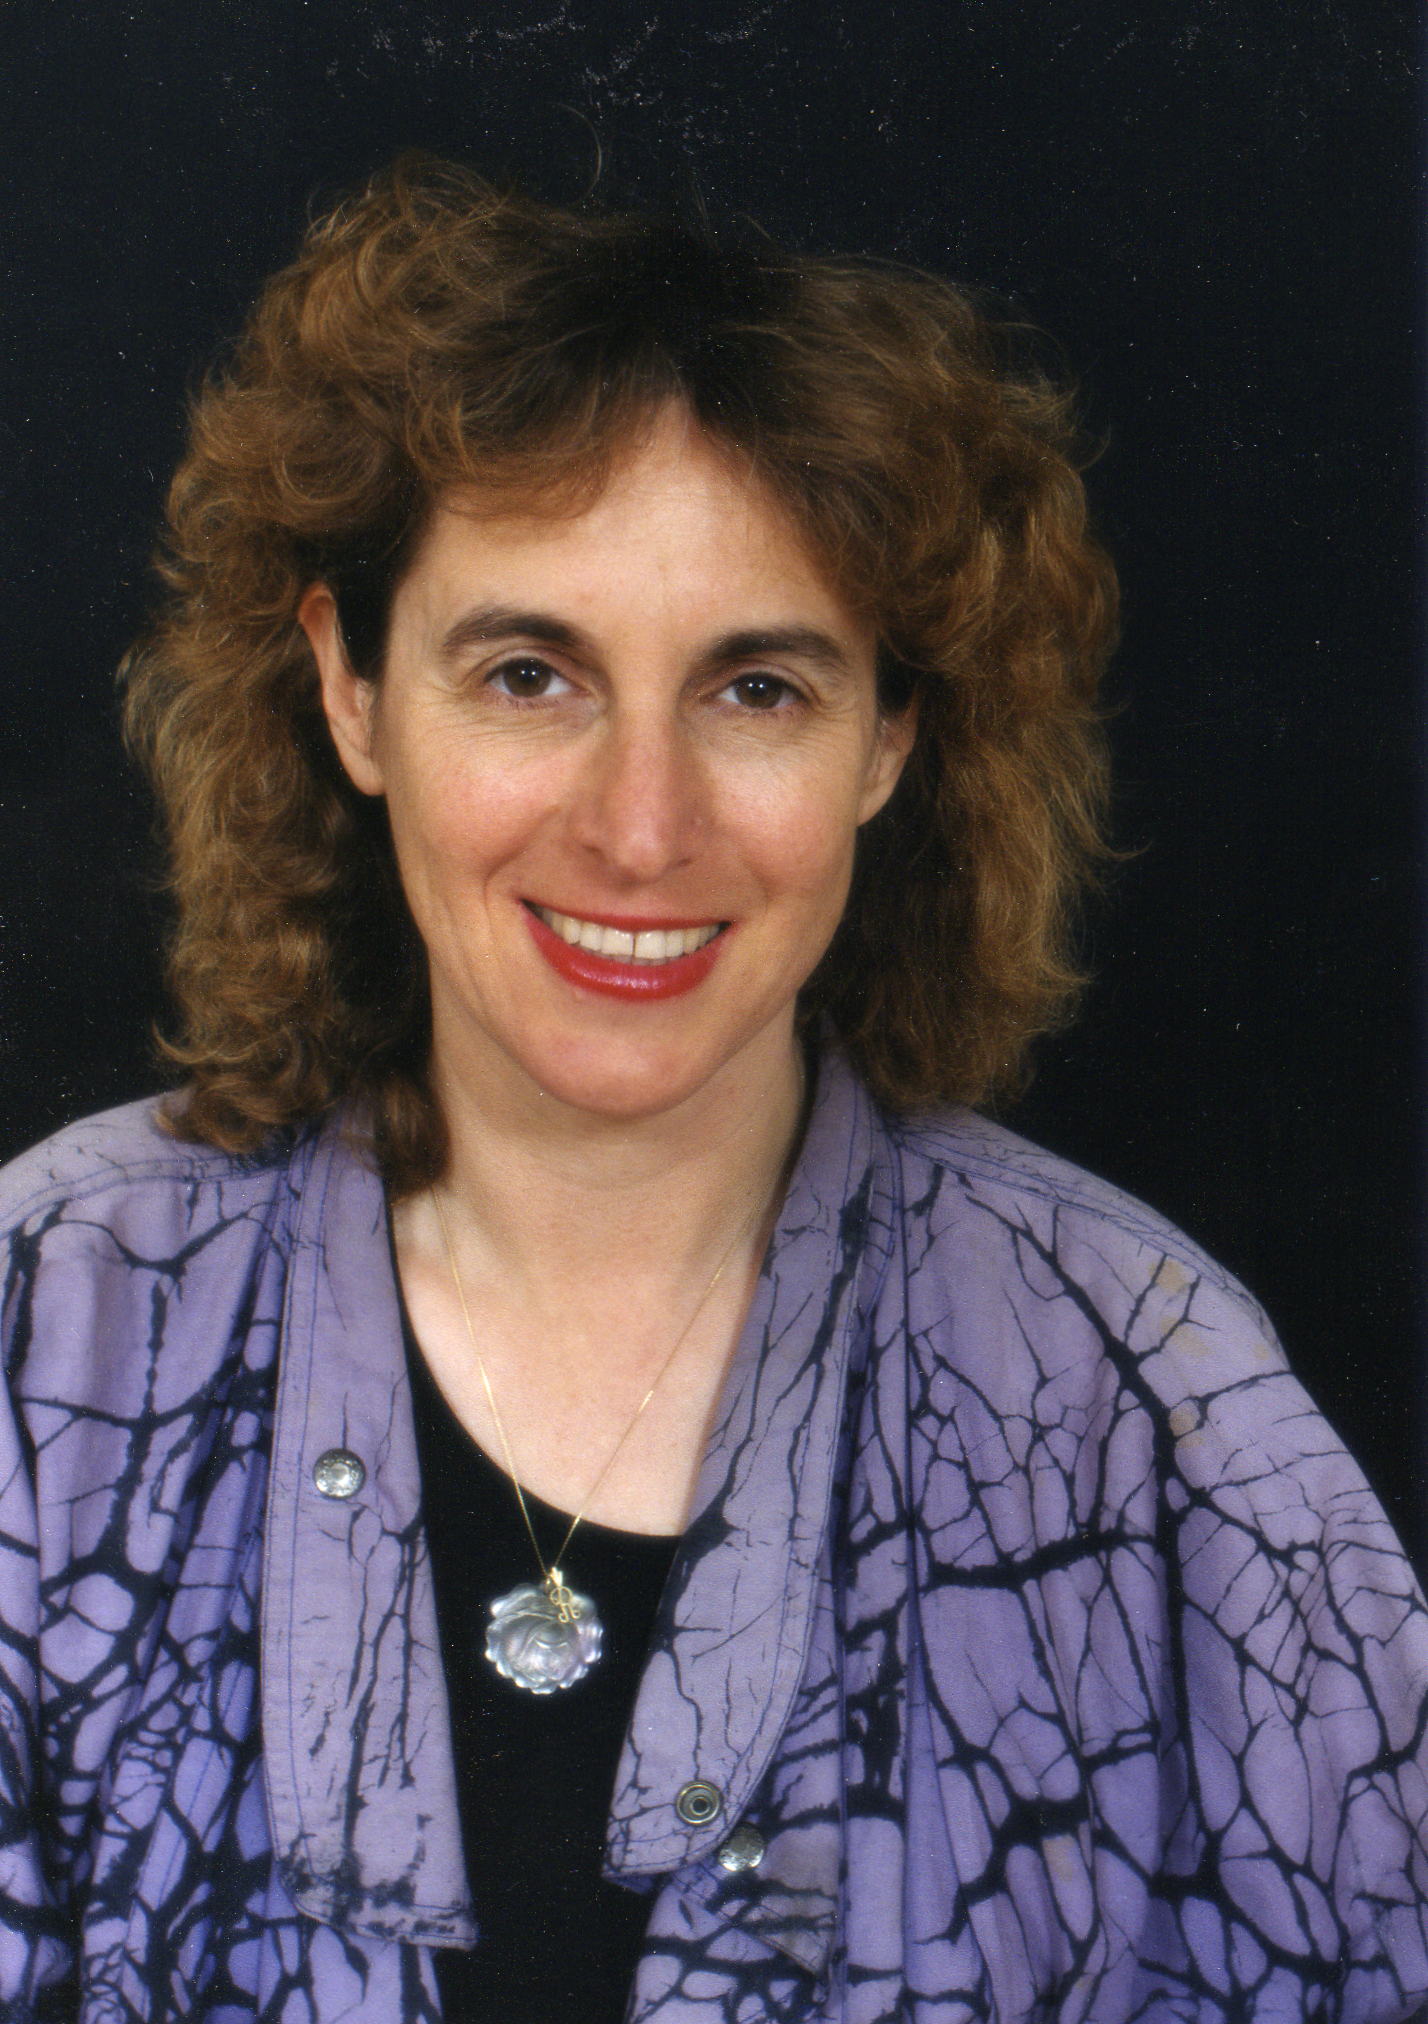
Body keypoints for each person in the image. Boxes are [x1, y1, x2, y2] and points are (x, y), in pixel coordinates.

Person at [0, 156, 1424, 2024]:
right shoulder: (51, 1326)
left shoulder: (1162, 1408)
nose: (641, 826)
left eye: (759, 691)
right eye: (530, 674)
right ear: (349, 688)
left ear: (891, 738)